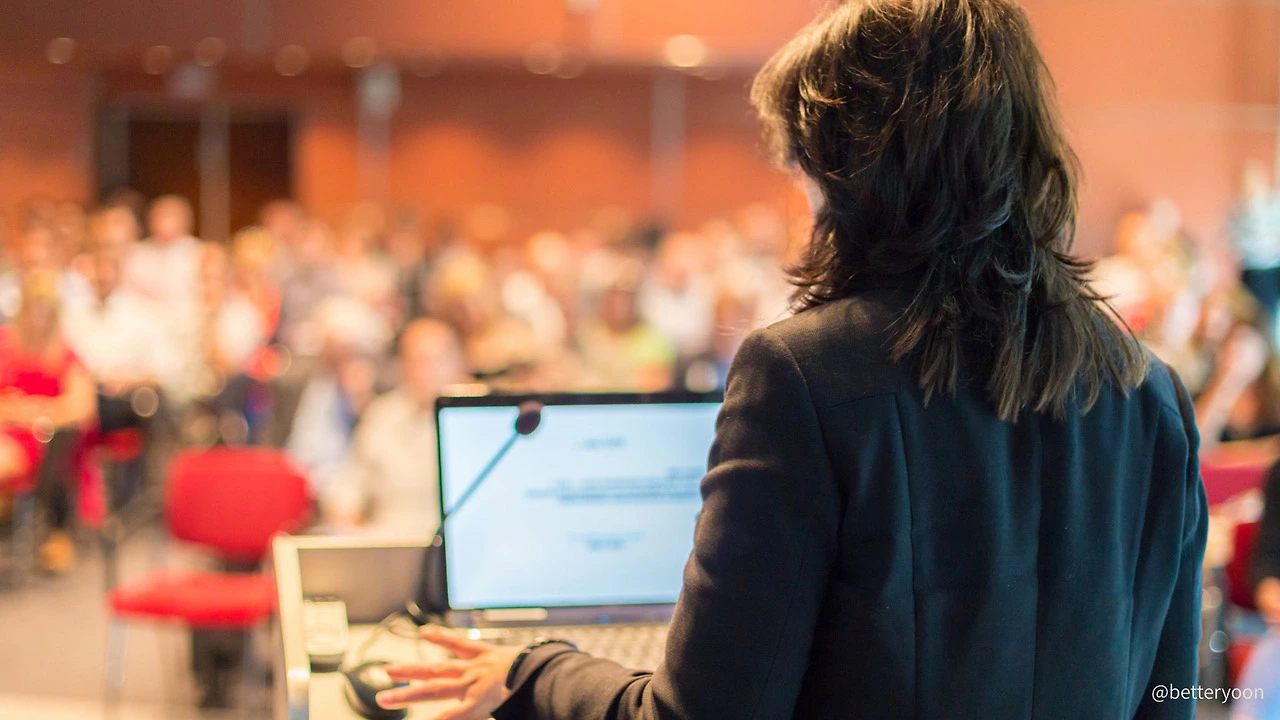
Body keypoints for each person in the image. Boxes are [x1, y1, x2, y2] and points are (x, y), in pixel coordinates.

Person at [378, 1, 1206, 718]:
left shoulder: (802, 376)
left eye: (805, 169)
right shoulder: (1153, 395)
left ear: (853, 176)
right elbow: (1172, 697)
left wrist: (531, 672)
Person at [321, 319, 466, 536]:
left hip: (452, 538)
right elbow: (349, 486)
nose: (424, 370)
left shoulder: (476, 419)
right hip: (386, 538)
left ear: (458, 363)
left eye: (434, 360)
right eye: (414, 360)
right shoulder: (381, 415)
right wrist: (342, 513)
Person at [0, 270, 97, 573]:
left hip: (39, 439)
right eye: (33, 311)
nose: (37, 320)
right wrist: (11, 409)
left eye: (44, 313)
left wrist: (38, 411)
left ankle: (52, 530)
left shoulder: (65, 354)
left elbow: (82, 407)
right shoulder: (5, 344)